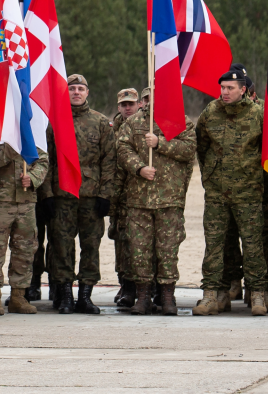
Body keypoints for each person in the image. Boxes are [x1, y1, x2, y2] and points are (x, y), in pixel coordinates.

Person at [116, 84, 195, 316]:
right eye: (147, 98)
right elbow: (122, 149)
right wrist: (139, 168)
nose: (151, 102)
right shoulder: (133, 123)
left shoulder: (181, 121)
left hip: (169, 199)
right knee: (140, 251)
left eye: (156, 97)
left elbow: (189, 149)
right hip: (139, 199)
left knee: (168, 250)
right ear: (143, 101)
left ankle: (168, 296)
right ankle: (142, 296)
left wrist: (161, 143)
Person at [194, 70, 267, 316]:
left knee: (253, 244)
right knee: (214, 244)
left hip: (248, 191)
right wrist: (210, 176)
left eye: (230, 88)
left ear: (243, 89)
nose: (225, 92)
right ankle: (211, 295)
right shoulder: (211, 112)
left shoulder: (258, 113)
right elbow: (202, 147)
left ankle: (257, 294)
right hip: (217, 192)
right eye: (223, 88)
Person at [42, 74, 115, 314]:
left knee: (91, 246)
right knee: (62, 247)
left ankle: (85, 295)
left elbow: (109, 162)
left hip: (91, 197)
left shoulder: (101, 122)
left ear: (87, 92)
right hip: (62, 196)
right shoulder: (55, 122)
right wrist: (47, 195)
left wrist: (105, 195)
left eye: (80, 88)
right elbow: (47, 161)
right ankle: (64, 296)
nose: (76, 92)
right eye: (71, 88)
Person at [0, 143, 49, 315]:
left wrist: (33, 177)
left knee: (25, 250)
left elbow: (43, 160)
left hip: (26, 200)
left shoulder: (28, 131)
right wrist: (13, 144)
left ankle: (19, 296)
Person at [111, 87, 147, 308]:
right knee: (121, 244)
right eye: (124, 104)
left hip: (139, 195)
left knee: (141, 245)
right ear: (118, 107)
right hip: (118, 195)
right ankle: (125, 287)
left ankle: (145, 288)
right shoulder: (110, 130)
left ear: (139, 105)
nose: (128, 108)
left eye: (131, 104)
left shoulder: (146, 127)